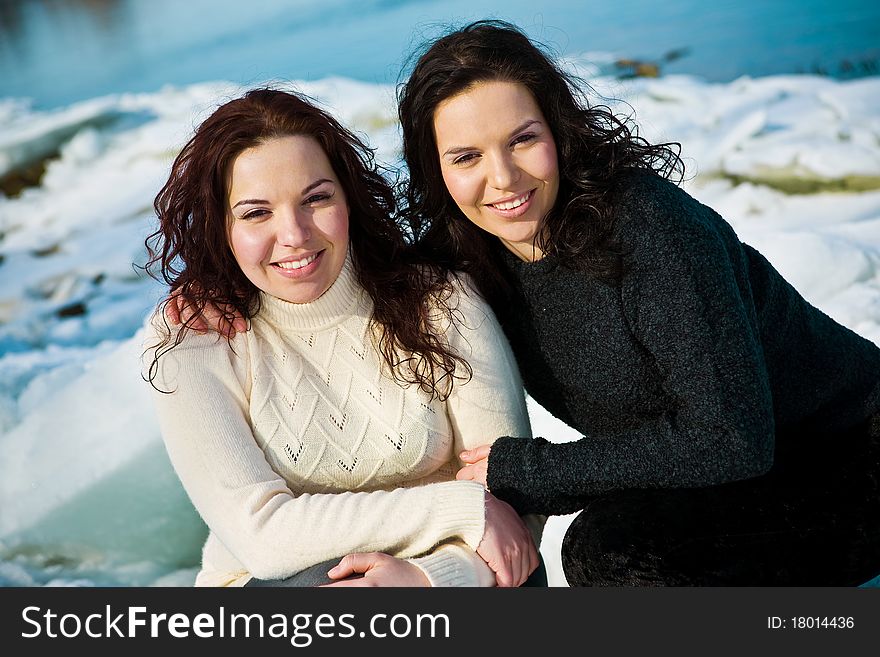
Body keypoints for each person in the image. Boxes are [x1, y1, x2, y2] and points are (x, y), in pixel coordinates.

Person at [395, 20, 880, 586]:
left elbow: (731, 436)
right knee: (610, 546)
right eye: (466, 157)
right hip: (730, 481)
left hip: (845, 449)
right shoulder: (464, 258)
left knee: (607, 554)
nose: (501, 178)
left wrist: (533, 471)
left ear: (558, 128)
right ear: (436, 168)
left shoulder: (647, 223)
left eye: (522, 139)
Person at [142, 88, 542, 587]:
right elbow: (261, 537)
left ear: (348, 197)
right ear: (220, 225)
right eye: (255, 213)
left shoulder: (439, 299)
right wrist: (458, 507)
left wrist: (428, 579)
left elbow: (510, 504)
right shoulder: (194, 337)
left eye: (316, 199)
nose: (294, 234)